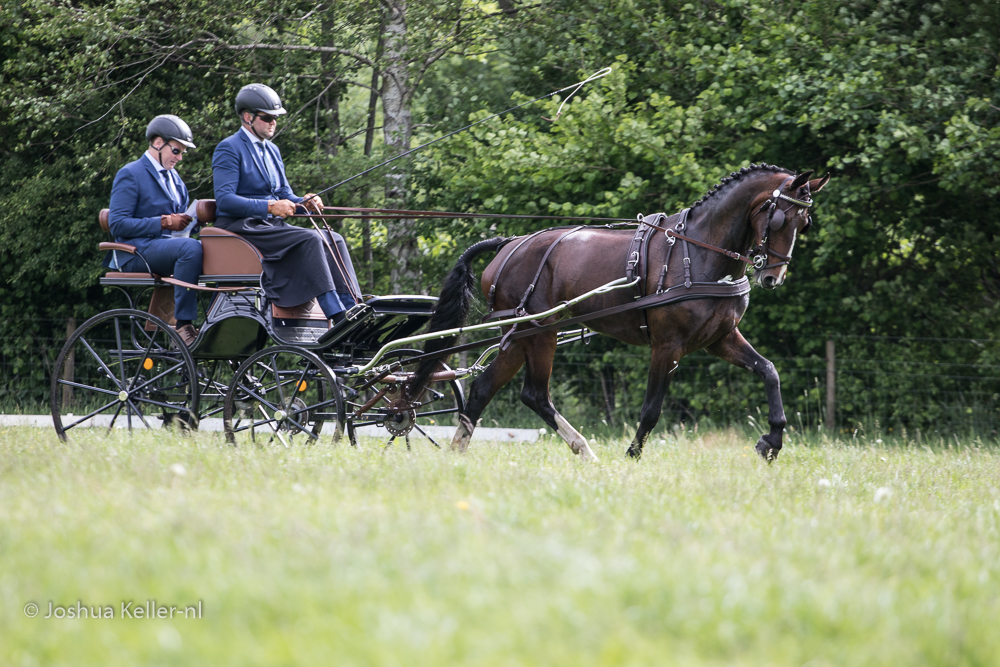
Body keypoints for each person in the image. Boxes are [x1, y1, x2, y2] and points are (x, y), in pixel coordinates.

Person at [211, 83, 361, 325]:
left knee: (333, 238)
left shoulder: (272, 150)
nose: (273, 123)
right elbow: (225, 200)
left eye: (276, 118)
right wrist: (269, 207)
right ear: (248, 117)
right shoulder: (229, 148)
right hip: (243, 228)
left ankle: (353, 307)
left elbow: (284, 194)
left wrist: (305, 202)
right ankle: (337, 315)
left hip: (272, 227)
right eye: (267, 117)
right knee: (311, 239)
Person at [106, 114, 203, 346]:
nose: (179, 158)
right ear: (158, 143)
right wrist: (163, 222)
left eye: (183, 153)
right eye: (176, 151)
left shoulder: (176, 180)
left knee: (211, 247)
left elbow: (181, 221)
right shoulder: (131, 174)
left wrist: (196, 222)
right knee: (190, 249)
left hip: (169, 247)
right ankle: (183, 325)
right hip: (135, 251)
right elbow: (117, 224)